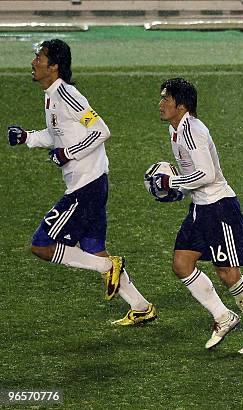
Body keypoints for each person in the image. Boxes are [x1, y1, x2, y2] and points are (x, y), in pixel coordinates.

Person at [7, 39, 156, 326]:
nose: (33, 63)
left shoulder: (67, 94)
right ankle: (140, 306)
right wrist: (27, 137)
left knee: (42, 244)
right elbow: (57, 135)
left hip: (85, 186)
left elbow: (101, 130)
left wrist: (68, 153)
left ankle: (108, 267)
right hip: (91, 183)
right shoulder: (51, 95)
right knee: (92, 249)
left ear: (54, 66)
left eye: (39, 58)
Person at [149, 77, 243, 353]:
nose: (160, 104)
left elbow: (206, 174)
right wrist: (179, 188)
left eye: (165, 99)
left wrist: (173, 183)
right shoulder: (178, 130)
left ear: (181, 105)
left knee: (228, 273)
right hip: (200, 207)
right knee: (182, 263)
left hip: (219, 208)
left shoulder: (191, 130)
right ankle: (223, 316)